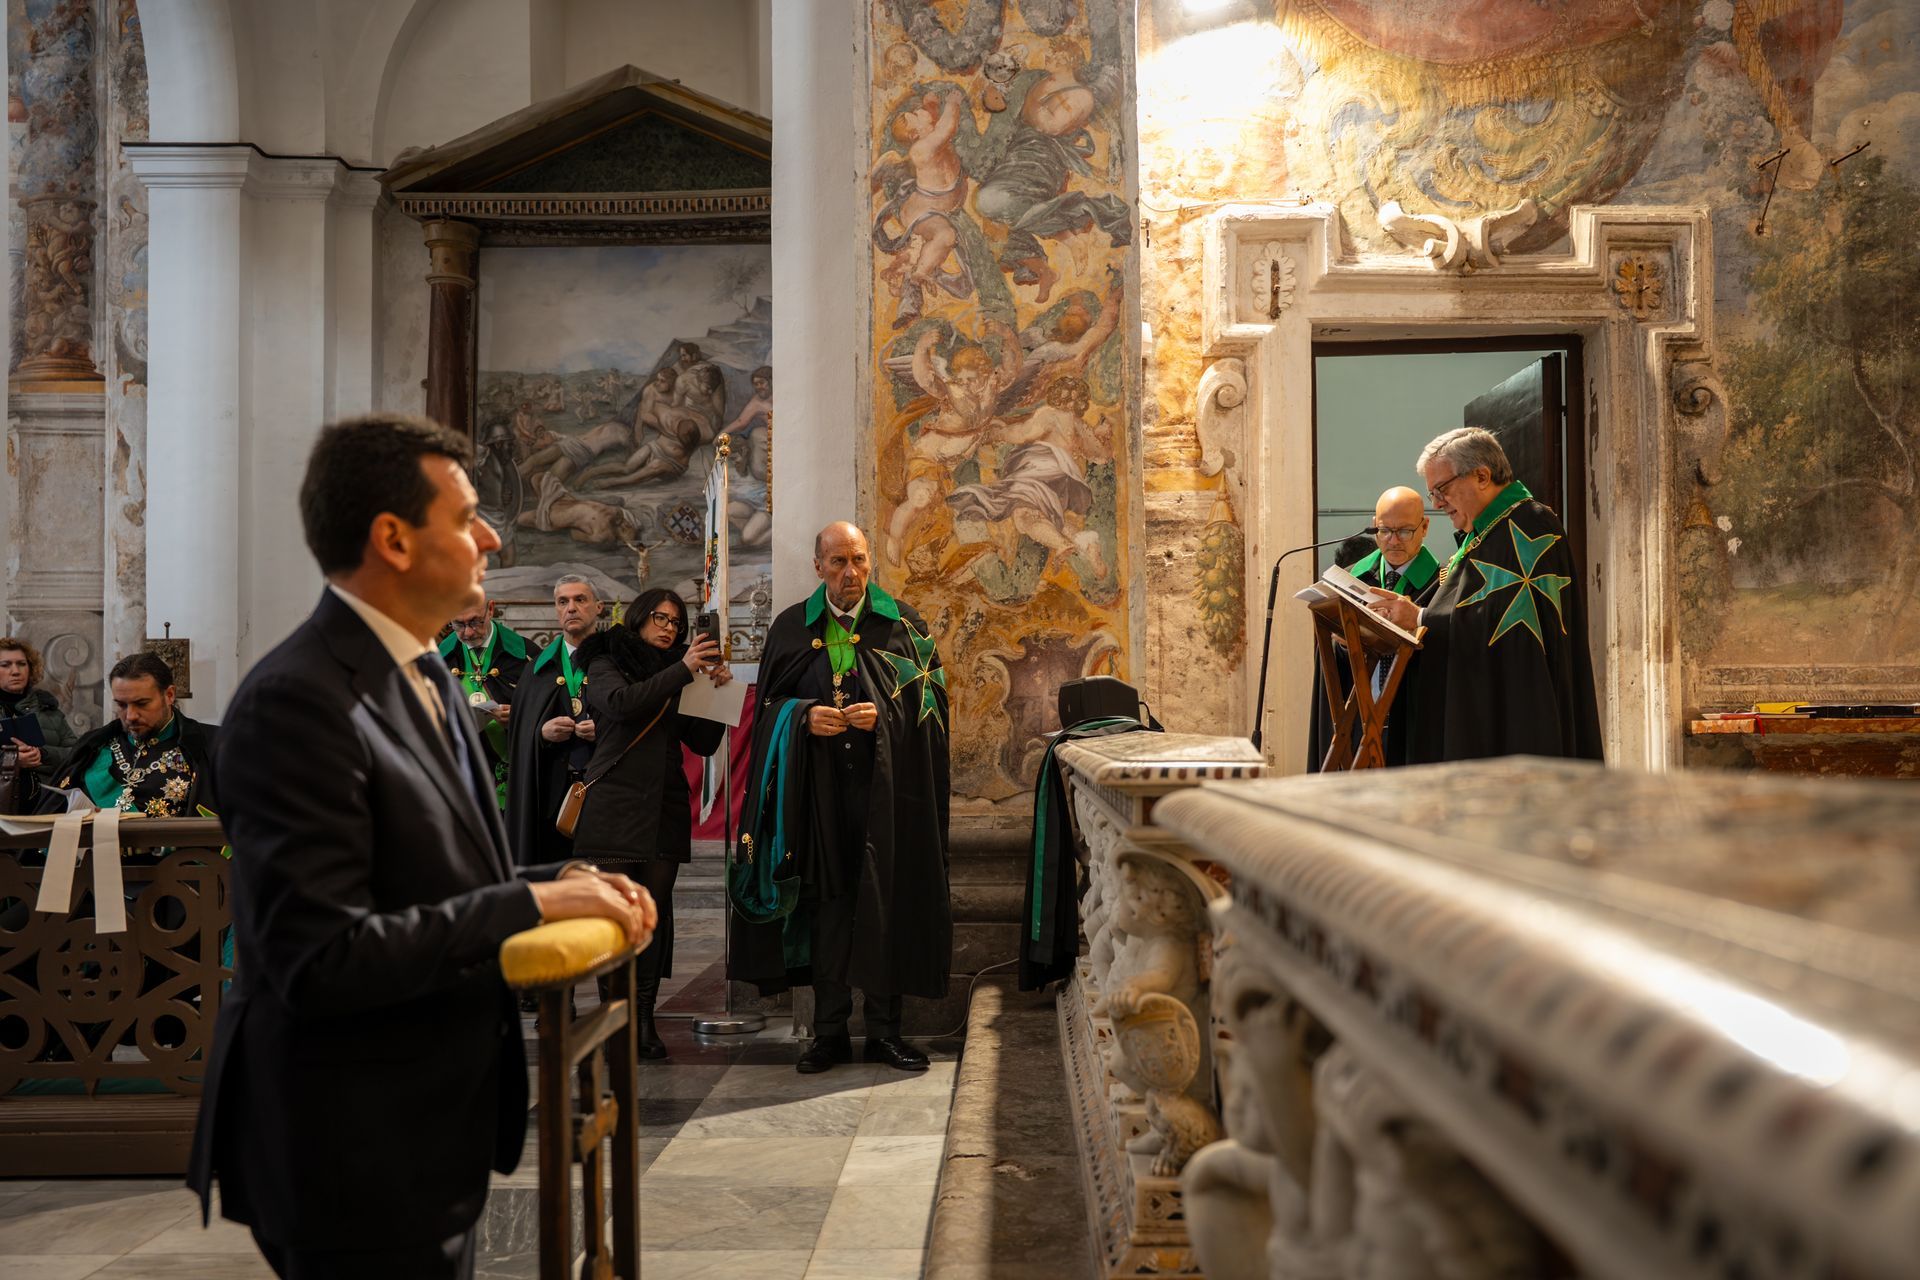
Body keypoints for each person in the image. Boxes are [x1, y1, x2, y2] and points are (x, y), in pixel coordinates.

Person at [186, 412, 655, 1280]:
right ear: (393, 540)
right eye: (467, 517)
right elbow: (321, 957)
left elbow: (435, 876)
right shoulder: (296, 704)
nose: (492, 537)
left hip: (426, 1125)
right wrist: (533, 901)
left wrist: (566, 876)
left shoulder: (421, 669)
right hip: (346, 1142)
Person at [729, 522, 952, 1075]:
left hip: (884, 796)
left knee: (883, 903)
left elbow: (933, 712)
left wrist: (886, 717)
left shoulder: (903, 624)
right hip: (817, 797)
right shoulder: (790, 628)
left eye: (859, 560)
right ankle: (828, 1034)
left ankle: (885, 1032)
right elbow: (765, 715)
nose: (851, 573)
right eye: (838, 562)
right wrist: (802, 716)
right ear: (818, 567)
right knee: (826, 911)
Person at [1368, 427, 1603, 763]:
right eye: (1432, 493)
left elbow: (1510, 631)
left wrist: (1419, 617)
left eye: (1442, 489)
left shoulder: (1528, 526)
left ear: (1481, 476)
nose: (1436, 503)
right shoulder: (1487, 534)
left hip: (1518, 715)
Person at [571, 589, 728, 1058]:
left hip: (664, 804)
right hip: (614, 804)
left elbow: (702, 742)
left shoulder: (682, 672)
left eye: (676, 623)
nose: (668, 628)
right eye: (660, 618)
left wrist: (715, 691)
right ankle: (614, 1020)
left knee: (653, 919)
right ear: (639, 618)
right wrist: (683, 670)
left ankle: (643, 1021)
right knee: (615, 920)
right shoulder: (605, 659)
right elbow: (621, 704)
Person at [39, 652, 218, 817]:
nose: (130, 716)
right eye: (122, 705)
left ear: (169, 695)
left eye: (142, 703)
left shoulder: (213, 745)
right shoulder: (94, 746)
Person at [506, 575, 602, 867]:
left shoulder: (617, 661)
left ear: (598, 607)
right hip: (551, 795)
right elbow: (520, 734)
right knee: (556, 878)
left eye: (580, 600)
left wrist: (604, 729)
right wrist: (541, 733)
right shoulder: (538, 667)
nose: (571, 608)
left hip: (605, 791)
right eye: (563, 602)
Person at [438, 592, 529, 811]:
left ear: (490, 609)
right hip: (457, 775)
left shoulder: (525, 655)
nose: (468, 633)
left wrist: (519, 719)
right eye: (458, 624)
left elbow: (544, 714)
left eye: (475, 622)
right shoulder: (437, 658)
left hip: (512, 776)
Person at [0, 635, 78, 795]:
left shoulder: (48, 708)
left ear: (30, 668)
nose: (15, 671)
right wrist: (11, 760)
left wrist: (42, 753)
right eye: (5, 665)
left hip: (47, 799)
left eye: (22, 664)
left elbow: (76, 753)